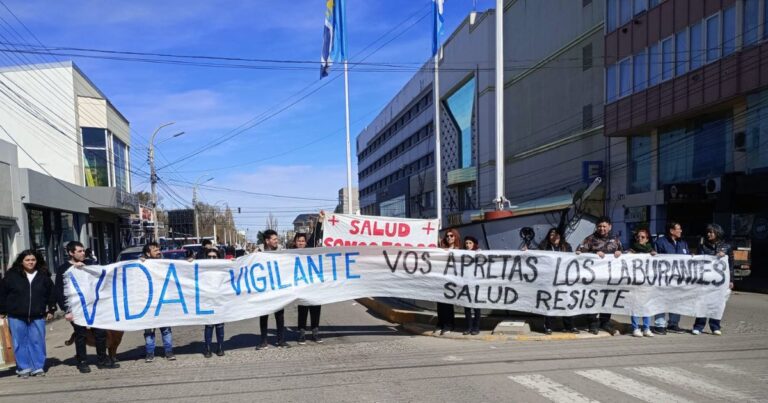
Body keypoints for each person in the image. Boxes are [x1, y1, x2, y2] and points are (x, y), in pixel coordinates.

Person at [55, 241, 118, 373]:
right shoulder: (63, 269)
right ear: (71, 253)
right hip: (76, 308)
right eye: (79, 251)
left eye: (83, 251)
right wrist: (67, 311)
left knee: (100, 333)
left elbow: (105, 276)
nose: (83, 253)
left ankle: (102, 359)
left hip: (93, 306)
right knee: (81, 334)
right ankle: (82, 361)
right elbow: (60, 292)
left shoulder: (90, 264)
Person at [0, 250, 56, 377]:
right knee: (19, 341)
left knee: (37, 341)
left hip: (37, 314)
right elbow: (2, 294)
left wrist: (51, 309)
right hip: (16, 315)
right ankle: (23, 367)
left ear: (37, 261)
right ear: (21, 261)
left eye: (33, 260)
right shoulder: (11, 276)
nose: (31, 262)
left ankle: (38, 366)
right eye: (27, 260)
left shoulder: (43, 276)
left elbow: (51, 294)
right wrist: (2, 311)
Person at [576, 217, 622, 335]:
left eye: (604, 226)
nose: (602, 228)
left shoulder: (615, 240)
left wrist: (619, 253)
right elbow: (579, 253)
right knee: (593, 299)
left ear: (609, 227)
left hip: (610, 277)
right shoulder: (590, 239)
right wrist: (594, 253)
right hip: (593, 278)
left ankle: (605, 322)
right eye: (600, 226)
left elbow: (623, 253)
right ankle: (592, 324)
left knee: (608, 299)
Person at [693, 223, 733, 336]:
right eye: (708, 232)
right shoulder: (702, 246)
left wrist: (731, 280)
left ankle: (715, 326)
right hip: (705, 280)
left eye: (711, 232)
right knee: (702, 303)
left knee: (717, 303)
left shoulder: (727, 247)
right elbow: (698, 262)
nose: (708, 234)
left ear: (717, 233)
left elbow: (730, 265)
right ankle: (698, 326)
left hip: (719, 281)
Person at [538, 228, 579, 335]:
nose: (554, 236)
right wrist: (526, 251)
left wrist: (578, 254)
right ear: (548, 236)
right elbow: (535, 257)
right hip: (549, 280)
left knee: (567, 301)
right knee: (549, 302)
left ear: (560, 236)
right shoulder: (543, 247)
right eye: (552, 234)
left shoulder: (566, 246)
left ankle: (570, 325)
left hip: (564, 279)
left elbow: (572, 259)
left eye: (557, 234)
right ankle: (548, 326)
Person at [652, 221, 690, 335]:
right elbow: (653, 260)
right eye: (679, 229)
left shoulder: (683, 243)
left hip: (678, 279)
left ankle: (673, 324)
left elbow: (687, 258)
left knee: (677, 301)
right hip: (663, 279)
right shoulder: (660, 242)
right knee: (661, 300)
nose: (681, 231)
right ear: (671, 231)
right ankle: (660, 325)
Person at [141, 242, 175, 362]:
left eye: (158, 249)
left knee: (166, 329)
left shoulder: (165, 264)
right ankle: (150, 353)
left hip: (163, 303)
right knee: (149, 330)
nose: (158, 252)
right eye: (155, 250)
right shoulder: (141, 265)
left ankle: (169, 352)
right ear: (147, 253)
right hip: (149, 304)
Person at [256, 229, 289, 349]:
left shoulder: (281, 251)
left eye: (277, 239)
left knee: (280, 315)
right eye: (274, 239)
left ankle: (281, 340)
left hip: (277, 289)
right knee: (263, 315)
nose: (277, 241)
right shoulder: (258, 251)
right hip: (264, 290)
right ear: (267, 241)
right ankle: (263, 341)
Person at [293, 233, 323, 344]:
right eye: (298, 241)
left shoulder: (311, 251)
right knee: (303, 312)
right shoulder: (289, 254)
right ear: (295, 242)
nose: (301, 243)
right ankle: (302, 334)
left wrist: (319, 221)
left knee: (316, 310)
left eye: (303, 241)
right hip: (301, 288)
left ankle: (315, 333)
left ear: (306, 242)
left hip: (314, 287)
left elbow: (315, 235)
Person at [627, 229, 656, 338]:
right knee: (635, 305)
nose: (640, 239)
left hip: (647, 281)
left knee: (646, 304)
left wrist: (654, 255)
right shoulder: (631, 250)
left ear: (647, 239)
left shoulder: (651, 250)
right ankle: (635, 328)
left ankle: (646, 328)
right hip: (635, 281)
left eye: (643, 237)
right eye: (638, 237)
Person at [435, 228, 460, 335]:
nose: (449, 238)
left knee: (448, 304)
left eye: (451, 236)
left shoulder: (459, 249)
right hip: (441, 279)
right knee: (440, 303)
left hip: (452, 280)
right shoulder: (441, 249)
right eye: (447, 236)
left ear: (455, 237)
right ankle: (441, 323)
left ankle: (449, 325)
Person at [202, 248, 226, 357]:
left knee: (220, 325)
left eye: (214, 257)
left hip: (219, 300)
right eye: (209, 256)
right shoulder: (202, 269)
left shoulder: (223, 269)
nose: (212, 259)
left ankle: (220, 347)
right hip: (207, 300)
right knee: (209, 325)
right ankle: (207, 348)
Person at [462, 236, 482, 335]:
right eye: (466, 243)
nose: (468, 245)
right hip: (466, 284)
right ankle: (469, 327)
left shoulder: (479, 253)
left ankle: (476, 327)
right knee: (467, 308)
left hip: (476, 284)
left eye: (470, 243)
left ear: (474, 244)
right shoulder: (462, 254)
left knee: (476, 307)